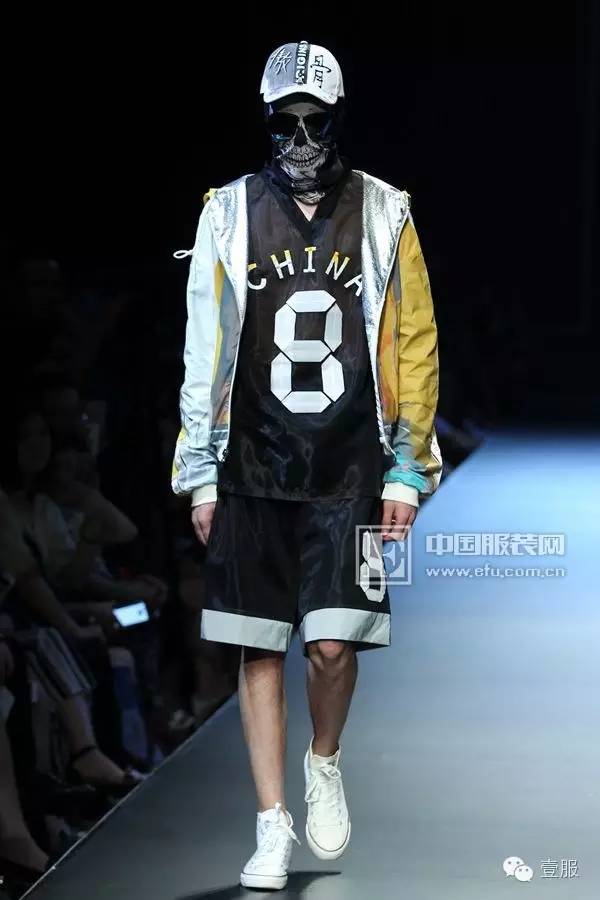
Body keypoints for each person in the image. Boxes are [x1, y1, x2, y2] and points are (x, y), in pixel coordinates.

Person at [172, 41, 442, 890]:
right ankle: (270, 823)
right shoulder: (227, 212)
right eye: (284, 121)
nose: (299, 138)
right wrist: (200, 470)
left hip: (352, 465)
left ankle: (323, 761)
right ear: (264, 121)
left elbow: (414, 341)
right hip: (251, 462)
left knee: (329, 647)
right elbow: (204, 344)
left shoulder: (385, 211)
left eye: (313, 121)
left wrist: (408, 469)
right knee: (258, 651)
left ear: (337, 119)